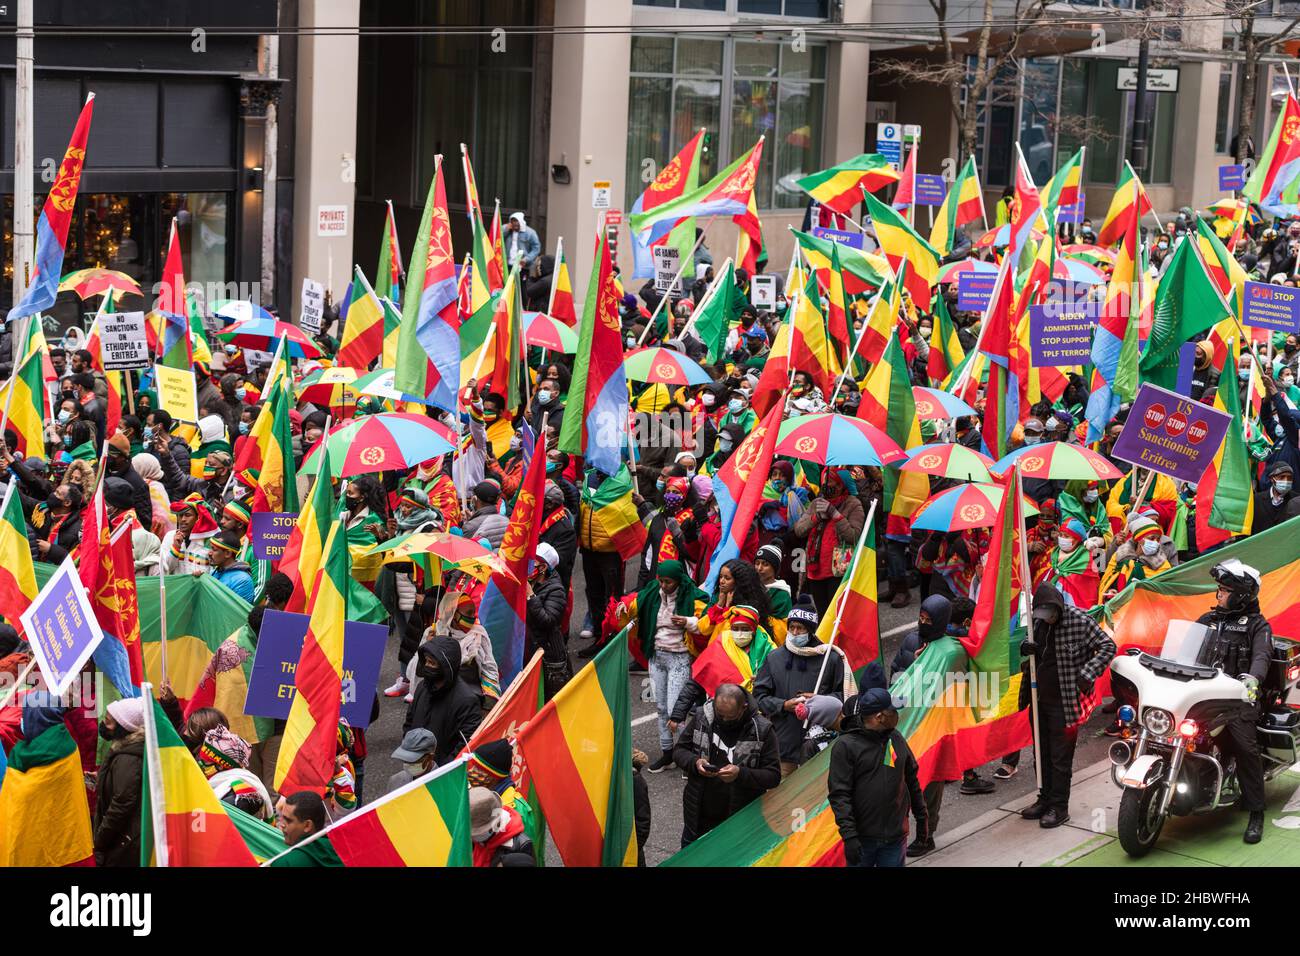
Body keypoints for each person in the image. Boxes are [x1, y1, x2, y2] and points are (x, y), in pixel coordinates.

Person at [1018, 584, 1116, 828]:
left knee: (1060, 759)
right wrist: (1026, 648)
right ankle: (1044, 798)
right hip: (1038, 698)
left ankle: (1059, 807)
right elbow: (1031, 647)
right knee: (1041, 754)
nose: (1046, 619)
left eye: (1049, 613)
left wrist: (1087, 674)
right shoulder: (1037, 623)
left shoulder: (1080, 621)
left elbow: (1108, 646)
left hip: (1066, 702)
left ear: (1058, 607)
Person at [1195, 560, 1272, 844]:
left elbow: (1262, 656)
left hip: (1239, 700)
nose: (1219, 595)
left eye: (1224, 591)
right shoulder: (1207, 620)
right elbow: (1184, 652)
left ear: (1240, 595)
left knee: (1245, 748)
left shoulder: (1258, 626)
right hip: (1203, 697)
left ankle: (1256, 813)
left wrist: (1253, 679)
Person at [671, 682, 781, 846]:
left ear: (743, 707)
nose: (723, 720)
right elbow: (679, 750)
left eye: (730, 717)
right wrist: (695, 762)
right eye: (719, 714)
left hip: (740, 822)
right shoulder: (703, 717)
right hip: (697, 818)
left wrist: (740, 774)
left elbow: (773, 776)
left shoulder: (762, 729)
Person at [828, 688, 927, 867]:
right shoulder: (845, 746)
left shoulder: (896, 738)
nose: (897, 714)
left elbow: (911, 779)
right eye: (893, 711)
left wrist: (922, 818)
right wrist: (849, 836)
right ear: (879, 717)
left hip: (895, 839)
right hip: (862, 841)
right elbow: (839, 795)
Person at [752, 599, 851, 774]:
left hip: (820, 745)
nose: (795, 632)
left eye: (801, 628)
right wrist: (783, 705)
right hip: (784, 746)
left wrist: (820, 702)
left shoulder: (830, 658)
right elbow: (759, 697)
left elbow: (844, 696)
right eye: (792, 627)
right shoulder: (774, 658)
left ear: (811, 630)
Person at [634, 559, 709, 772]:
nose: (663, 586)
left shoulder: (694, 596)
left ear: (678, 580)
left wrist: (687, 622)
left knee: (675, 709)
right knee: (660, 708)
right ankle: (667, 754)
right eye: (661, 581)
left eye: (668, 582)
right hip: (656, 656)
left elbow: (707, 621)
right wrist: (624, 607)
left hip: (679, 659)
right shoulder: (652, 592)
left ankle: (688, 756)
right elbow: (635, 602)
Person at [793, 467, 866, 616]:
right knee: (822, 614)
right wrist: (816, 518)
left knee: (836, 615)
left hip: (838, 572)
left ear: (842, 485)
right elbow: (799, 530)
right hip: (815, 570)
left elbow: (854, 536)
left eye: (833, 483)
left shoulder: (853, 504)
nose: (828, 486)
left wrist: (835, 514)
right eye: (826, 482)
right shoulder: (817, 503)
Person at [402, 635, 484, 765]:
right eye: (426, 661)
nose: (427, 666)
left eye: (432, 663)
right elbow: (409, 722)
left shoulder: (466, 701)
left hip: (441, 774)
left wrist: (439, 770)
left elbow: (465, 745)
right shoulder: (422, 688)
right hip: (416, 764)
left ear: (446, 667)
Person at [92, 697, 146, 867]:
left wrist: (100, 840)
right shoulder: (123, 747)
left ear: (125, 727)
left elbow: (122, 803)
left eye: (108, 722)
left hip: (122, 842)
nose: (103, 725)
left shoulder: (128, 758)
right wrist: (103, 779)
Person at [524, 542, 572, 697]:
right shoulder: (533, 582)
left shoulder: (556, 590)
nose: (529, 566)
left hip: (550, 658)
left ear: (543, 568)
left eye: (533, 563)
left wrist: (531, 597)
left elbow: (548, 621)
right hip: (533, 652)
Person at [469, 786, 535, 866]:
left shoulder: (521, 846)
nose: (471, 837)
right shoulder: (473, 840)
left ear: (492, 827)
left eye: (476, 833)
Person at [207, 530, 255, 602]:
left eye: (214, 549)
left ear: (228, 553)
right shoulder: (213, 573)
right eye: (210, 548)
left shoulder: (242, 581)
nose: (209, 553)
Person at [386, 728, 437, 794]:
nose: (407, 763)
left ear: (430, 757)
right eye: (404, 759)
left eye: (412, 760)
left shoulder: (445, 786)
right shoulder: (395, 780)